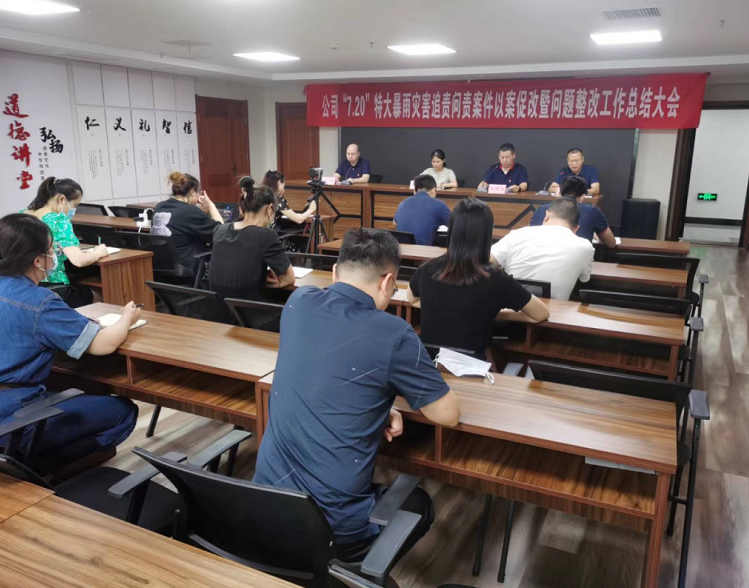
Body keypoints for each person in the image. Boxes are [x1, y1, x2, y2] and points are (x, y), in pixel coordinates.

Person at [254, 228, 460, 563]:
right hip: (332, 530)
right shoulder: (394, 333)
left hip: (263, 503)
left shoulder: (298, 302)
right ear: (387, 282)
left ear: (335, 272)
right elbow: (447, 415)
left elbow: (325, 369)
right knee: (419, 505)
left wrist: (377, 405)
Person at [0, 214, 140, 473]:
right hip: (9, 414)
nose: (54, 254)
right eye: (51, 250)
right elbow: (102, 344)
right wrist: (126, 318)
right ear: (38, 260)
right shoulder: (39, 301)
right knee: (122, 411)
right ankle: (33, 470)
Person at [407, 198, 549, 360]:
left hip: (428, 364)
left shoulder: (426, 269)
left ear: (451, 230)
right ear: (487, 235)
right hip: (471, 367)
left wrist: (442, 308)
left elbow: (412, 299)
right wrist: (495, 314)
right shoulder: (496, 278)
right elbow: (541, 314)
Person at [22, 177, 108, 309]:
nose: (73, 210)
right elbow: (79, 261)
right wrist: (98, 253)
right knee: (101, 294)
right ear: (62, 199)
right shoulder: (58, 220)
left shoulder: (25, 214)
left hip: (27, 286)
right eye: (75, 205)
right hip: (55, 289)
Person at [491, 198, 594, 301]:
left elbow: (488, 260)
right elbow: (584, 279)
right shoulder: (585, 246)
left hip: (509, 306)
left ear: (547, 216)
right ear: (576, 229)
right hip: (554, 310)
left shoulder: (517, 234)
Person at [209, 183, 295, 301]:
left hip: (217, 307)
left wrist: (259, 275)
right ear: (270, 209)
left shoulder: (220, 230)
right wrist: (263, 279)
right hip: (248, 308)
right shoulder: (266, 235)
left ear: (241, 209)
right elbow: (289, 279)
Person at [152, 172, 223, 271]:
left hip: (162, 267)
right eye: (199, 192)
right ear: (193, 191)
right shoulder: (190, 211)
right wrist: (211, 205)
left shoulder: (159, 206)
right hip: (186, 268)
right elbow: (221, 232)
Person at [531, 176, 616, 247]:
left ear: (559, 193)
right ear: (582, 196)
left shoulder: (541, 209)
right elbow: (611, 243)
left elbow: (531, 238)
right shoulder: (592, 211)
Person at [394, 174, 452, 246]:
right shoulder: (439, 205)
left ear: (415, 191)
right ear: (433, 190)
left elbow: (395, 222)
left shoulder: (403, 202)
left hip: (401, 249)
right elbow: (455, 224)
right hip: (423, 250)